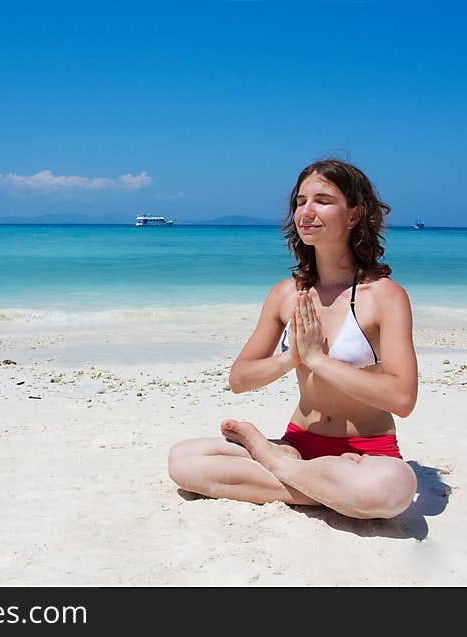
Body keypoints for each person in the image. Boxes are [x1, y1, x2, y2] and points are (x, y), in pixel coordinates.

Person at [168, 159, 418, 520]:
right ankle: (317, 486)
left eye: (323, 200)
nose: (306, 211)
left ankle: (273, 464)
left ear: (354, 215)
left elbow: (402, 398)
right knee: (184, 461)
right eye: (300, 202)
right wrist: (292, 358)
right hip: (298, 445)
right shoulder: (286, 294)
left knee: (387, 490)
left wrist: (318, 360)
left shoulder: (385, 296)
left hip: (366, 452)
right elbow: (239, 379)